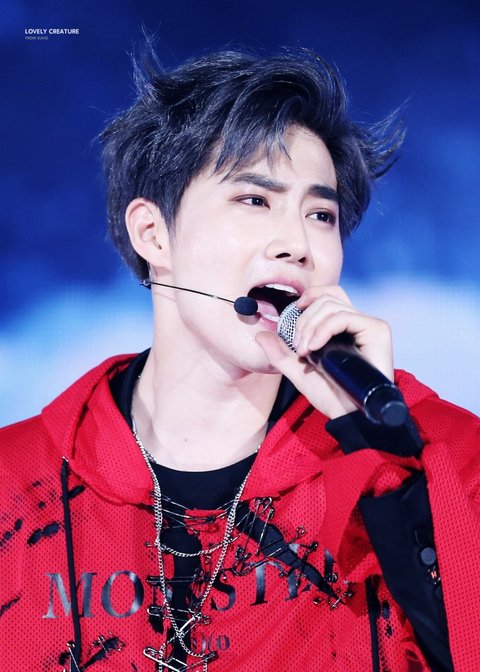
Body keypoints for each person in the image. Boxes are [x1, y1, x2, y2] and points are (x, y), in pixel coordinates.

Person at [1, 47, 479, 672]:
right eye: (255, 200)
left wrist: (383, 457)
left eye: (321, 214)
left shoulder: (448, 457)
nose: (297, 244)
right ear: (153, 234)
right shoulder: (17, 483)